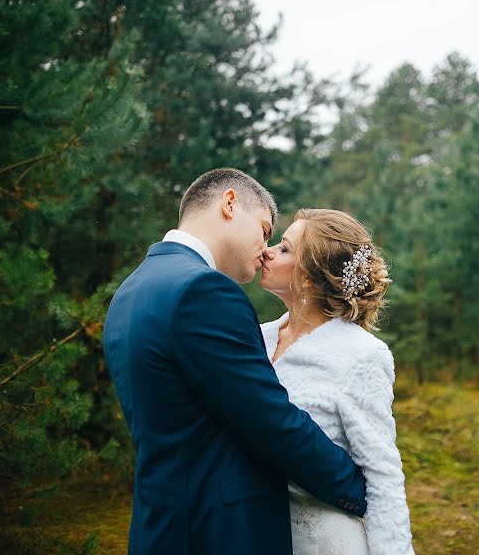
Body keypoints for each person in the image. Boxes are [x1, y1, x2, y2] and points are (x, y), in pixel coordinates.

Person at [103, 169, 366, 554]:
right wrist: (355, 487)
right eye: (263, 229)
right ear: (229, 204)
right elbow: (268, 419)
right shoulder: (203, 290)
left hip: (161, 524)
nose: (265, 249)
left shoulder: (132, 289)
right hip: (218, 531)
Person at [260, 208, 414, 554]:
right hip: (257, 531)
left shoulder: (360, 355)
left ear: (311, 279)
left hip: (323, 539)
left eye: (284, 248)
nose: (267, 250)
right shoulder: (258, 338)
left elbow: (381, 472)